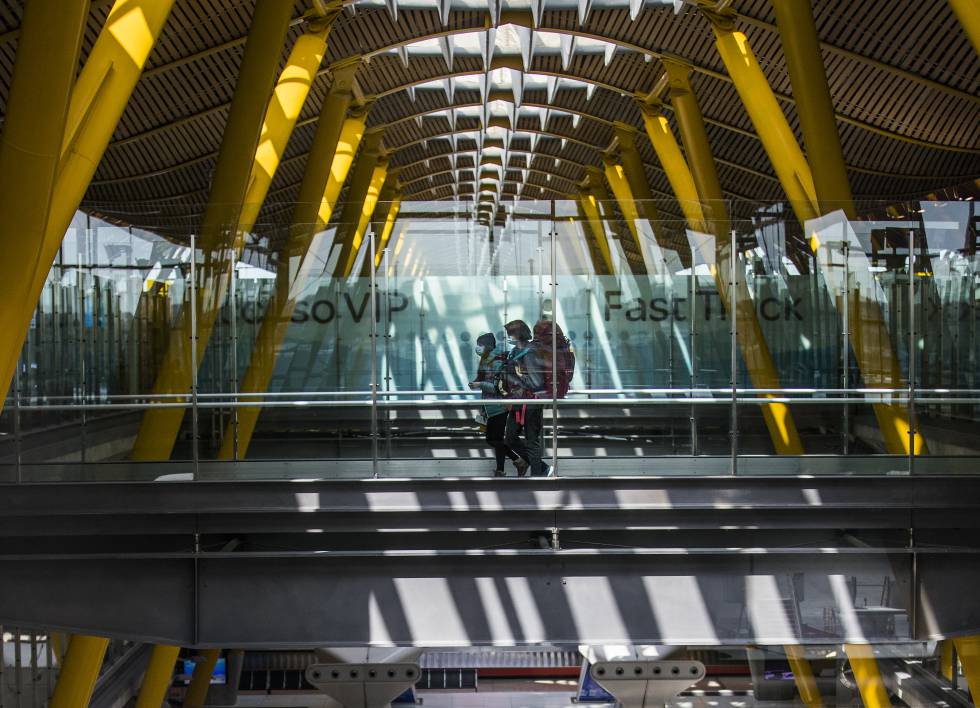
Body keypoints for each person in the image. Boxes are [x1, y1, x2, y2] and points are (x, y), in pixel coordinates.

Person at [469, 332, 527, 477]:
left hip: (499, 406)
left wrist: (478, 384)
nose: (478, 348)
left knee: (492, 439)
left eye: (480, 345)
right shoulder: (486, 361)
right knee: (497, 439)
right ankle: (500, 470)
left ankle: (519, 461)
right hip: (490, 406)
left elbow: (496, 387)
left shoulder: (496, 362)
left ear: (488, 346)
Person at [501, 319, 550, 477]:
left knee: (531, 441)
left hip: (530, 402)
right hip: (518, 401)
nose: (509, 338)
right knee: (510, 438)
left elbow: (536, 381)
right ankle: (541, 468)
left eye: (511, 334)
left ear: (518, 335)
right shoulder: (515, 352)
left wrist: (517, 378)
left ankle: (537, 477)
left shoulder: (530, 353)